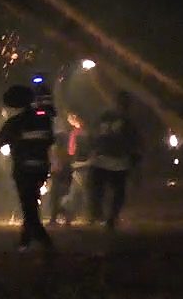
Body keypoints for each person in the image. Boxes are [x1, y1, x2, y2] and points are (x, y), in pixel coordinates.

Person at [0, 85, 56, 253]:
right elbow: (50, 140)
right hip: (41, 167)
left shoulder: (13, 123)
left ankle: (43, 240)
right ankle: (26, 240)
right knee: (31, 203)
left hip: (23, 169)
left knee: (28, 205)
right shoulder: (43, 119)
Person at [88, 94, 143, 230]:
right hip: (115, 161)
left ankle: (103, 215)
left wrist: (94, 148)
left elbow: (94, 135)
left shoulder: (107, 117)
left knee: (100, 188)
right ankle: (107, 216)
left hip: (109, 160)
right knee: (115, 192)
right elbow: (134, 141)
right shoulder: (126, 121)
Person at [47, 113, 87, 226]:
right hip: (63, 166)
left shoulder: (69, 134)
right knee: (60, 193)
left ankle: (60, 217)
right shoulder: (67, 135)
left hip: (63, 166)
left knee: (60, 193)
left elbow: (59, 152)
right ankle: (60, 217)